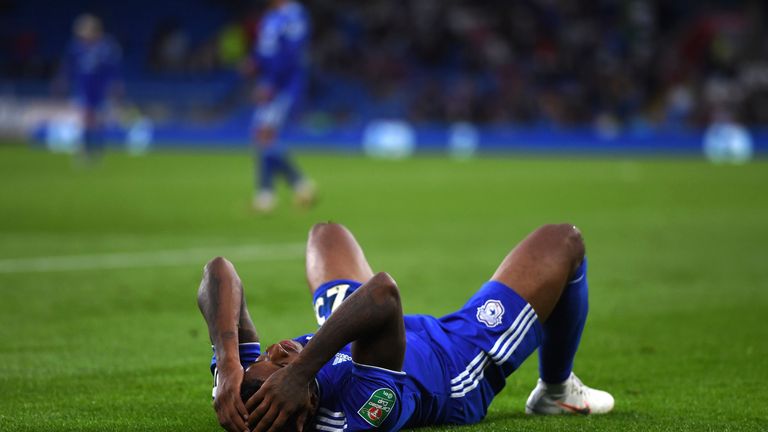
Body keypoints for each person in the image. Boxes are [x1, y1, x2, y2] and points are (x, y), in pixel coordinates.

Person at [198, 223, 614, 432]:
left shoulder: (247, 391)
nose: (281, 348)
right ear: (304, 412)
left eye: (271, 355)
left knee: (326, 233)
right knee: (564, 241)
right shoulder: (359, 412)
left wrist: (229, 365)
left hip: (359, 336)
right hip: (452, 358)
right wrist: (302, 369)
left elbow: (218, 272)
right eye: (282, 365)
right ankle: (556, 391)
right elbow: (383, 294)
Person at [248, 0, 315, 212]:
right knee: (263, 136)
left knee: (265, 135)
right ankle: (295, 186)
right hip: (272, 83)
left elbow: (291, 55)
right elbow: (266, 50)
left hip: (284, 86)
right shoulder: (271, 17)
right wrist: (253, 62)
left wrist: (271, 83)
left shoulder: (294, 16)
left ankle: (269, 193)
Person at [56, 13, 122, 162]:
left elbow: (114, 69)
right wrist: (62, 81)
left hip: (101, 90)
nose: (84, 35)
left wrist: (115, 86)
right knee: (85, 119)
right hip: (83, 89)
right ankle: (85, 151)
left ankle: (97, 151)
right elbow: (68, 66)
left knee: (98, 121)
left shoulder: (106, 47)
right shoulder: (76, 47)